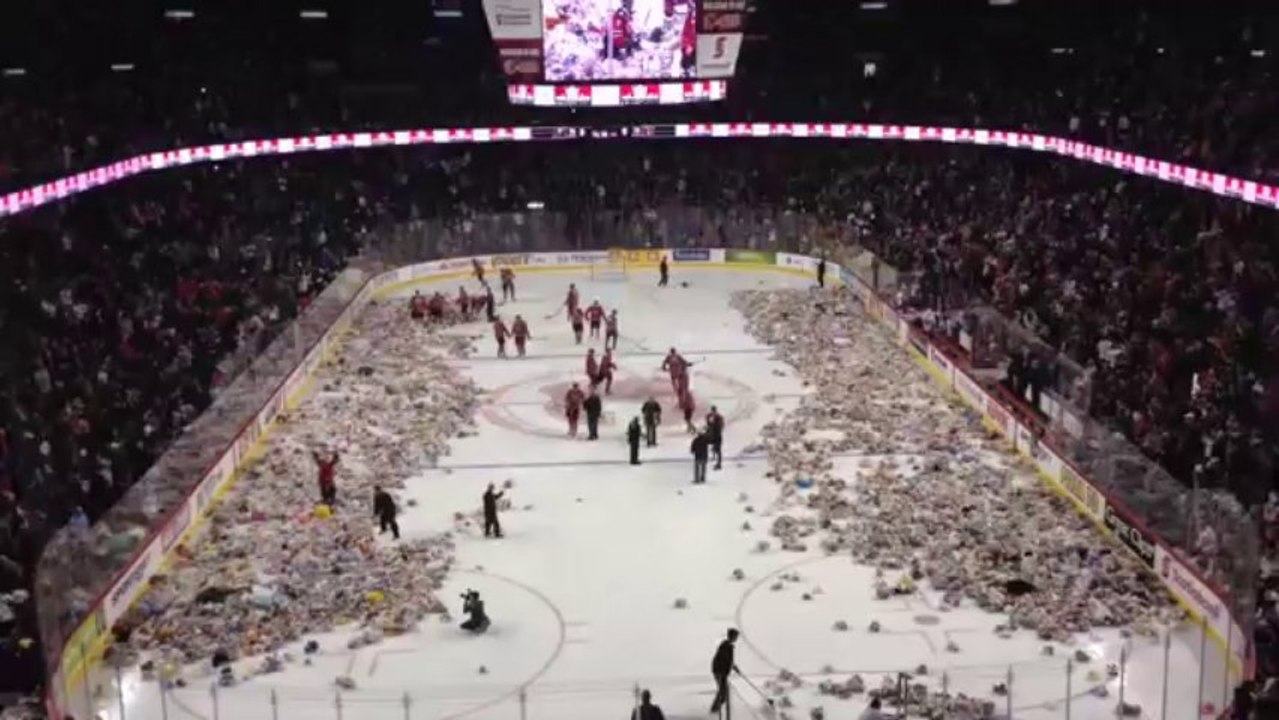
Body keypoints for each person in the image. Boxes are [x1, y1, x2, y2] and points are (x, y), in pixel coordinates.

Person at [709, 629, 740, 715]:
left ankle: (715, 709)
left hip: (721, 672)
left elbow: (727, 660)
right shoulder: (727, 646)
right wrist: (725, 671)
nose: (736, 638)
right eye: (736, 636)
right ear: (732, 636)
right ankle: (714, 710)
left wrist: (733, 667)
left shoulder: (727, 646)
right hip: (720, 672)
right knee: (723, 693)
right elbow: (723, 660)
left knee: (723, 692)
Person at [705, 406, 724, 470]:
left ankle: (719, 464)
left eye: (714, 411)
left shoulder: (719, 418)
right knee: (716, 449)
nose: (713, 412)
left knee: (718, 450)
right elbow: (709, 425)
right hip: (713, 436)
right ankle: (714, 456)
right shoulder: (714, 417)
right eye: (712, 411)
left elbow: (718, 427)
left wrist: (711, 424)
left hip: (717, 436)